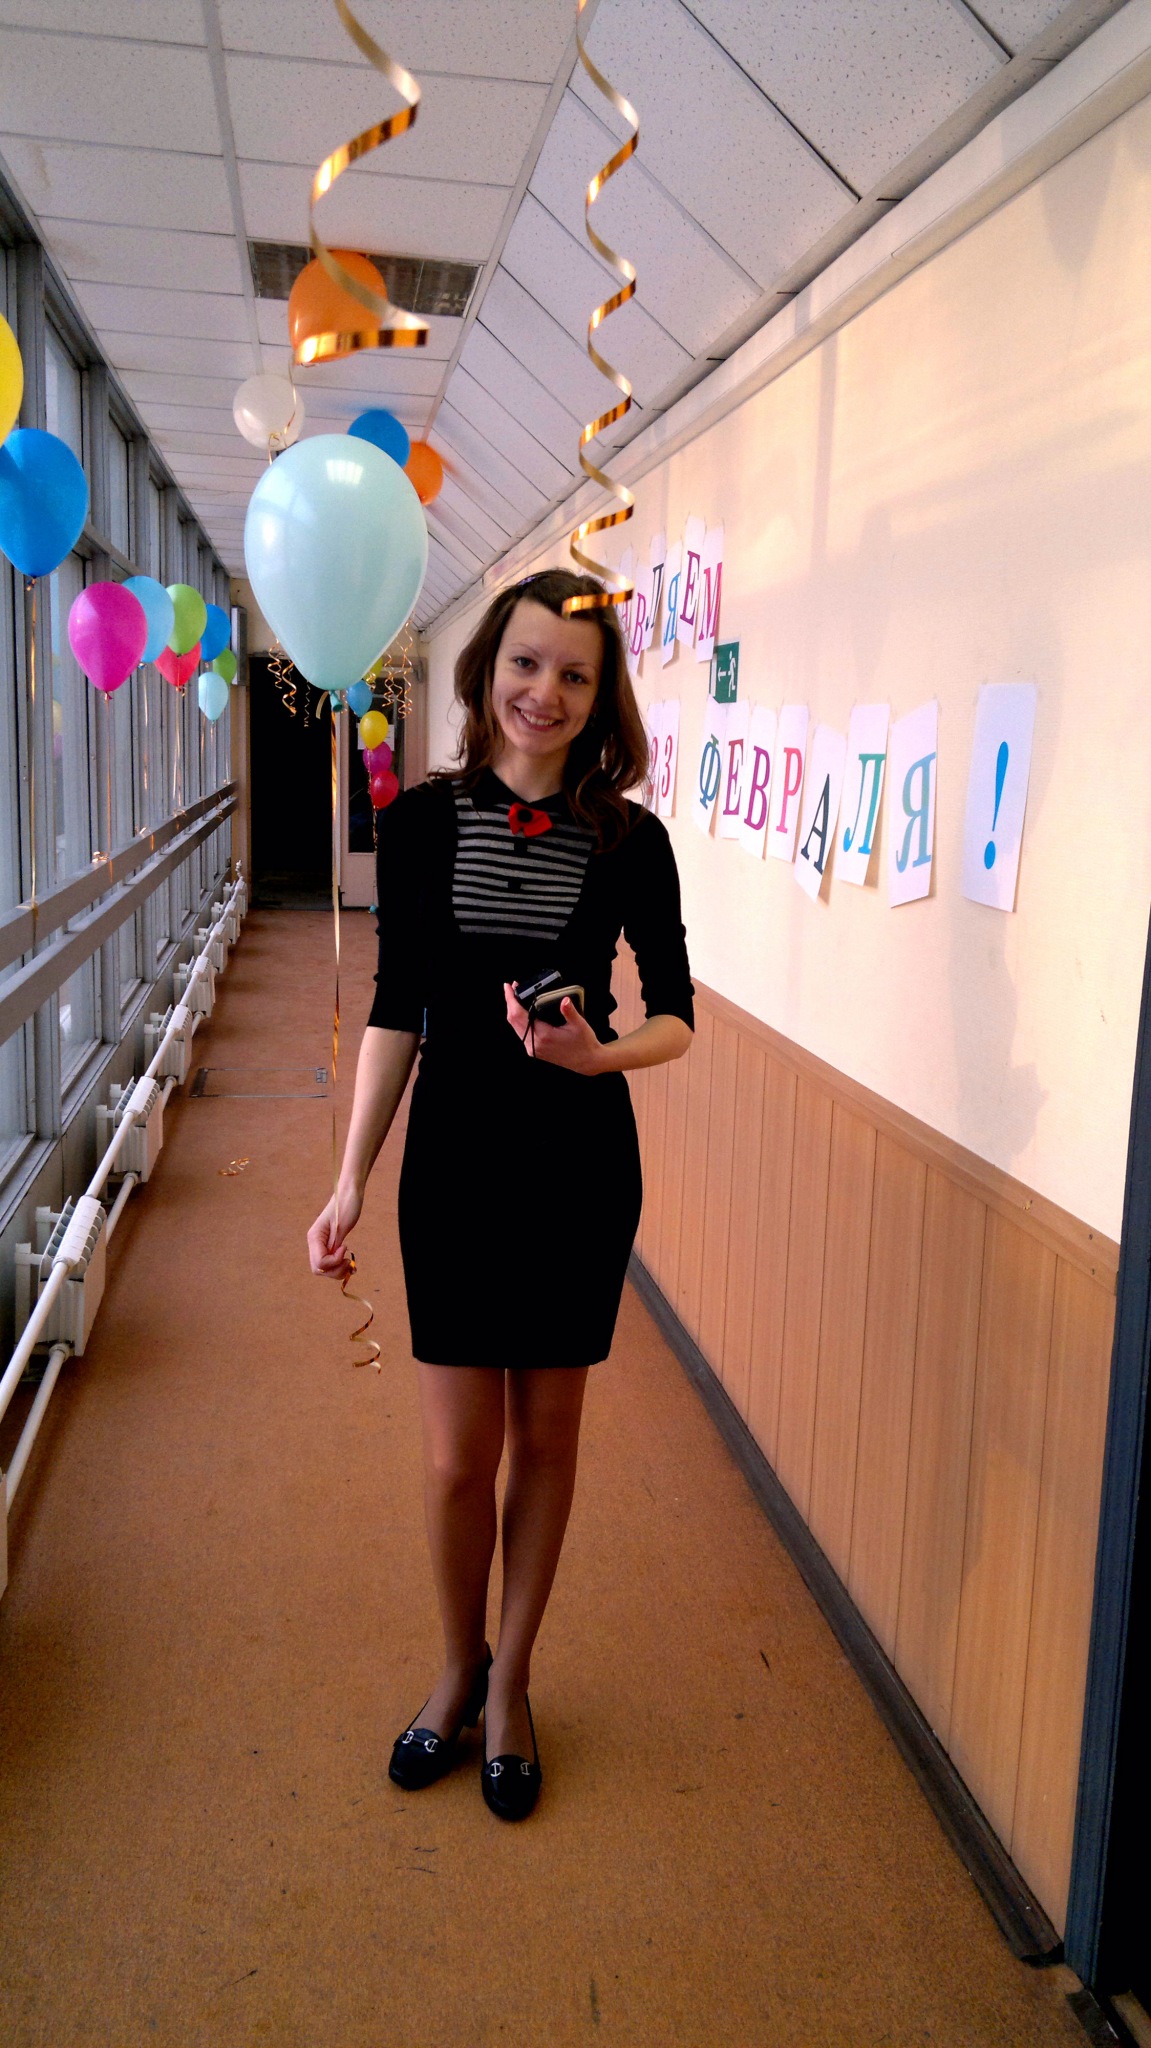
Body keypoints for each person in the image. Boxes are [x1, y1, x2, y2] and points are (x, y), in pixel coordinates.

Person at [307, 567, 694, 1821]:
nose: (545, 692)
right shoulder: (418, 823)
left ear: (601, 695)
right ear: (486, 673)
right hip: (456, 1168)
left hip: (577, 1168)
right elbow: (395, 1010)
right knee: (452, 1460)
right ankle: (455, 1663)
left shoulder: (630, 840)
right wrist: (348, 1178)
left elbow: (676, 1016)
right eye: (526, 663)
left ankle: (512, 1680)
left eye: (574, 674)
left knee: (547, 1444)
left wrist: (598, 1055)